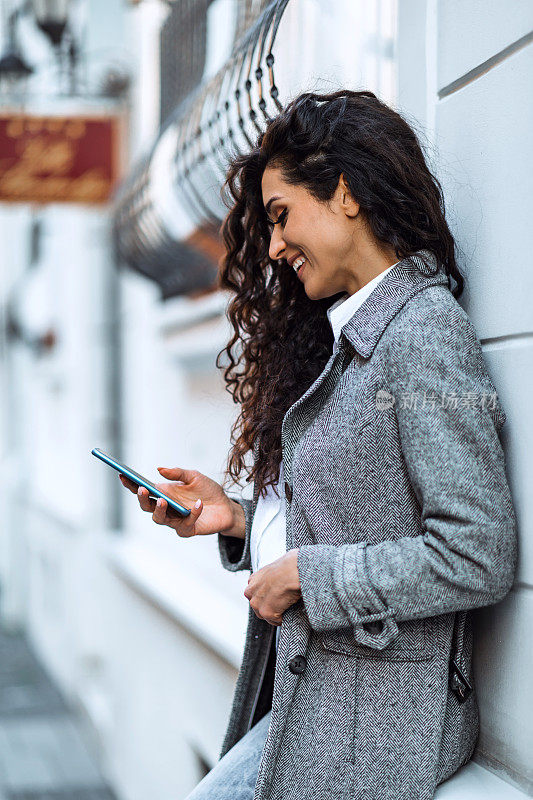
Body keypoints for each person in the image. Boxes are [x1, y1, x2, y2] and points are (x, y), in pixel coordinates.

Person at [119, 90, 518, 800]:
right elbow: (359, 513)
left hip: (375, 730)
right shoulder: (358, 334)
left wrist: (308, 576)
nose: (272, 246)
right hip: (322, 707)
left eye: (280, 216)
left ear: (343, 193)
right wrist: (237, 520)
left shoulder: (422, 335)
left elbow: (476, 554)